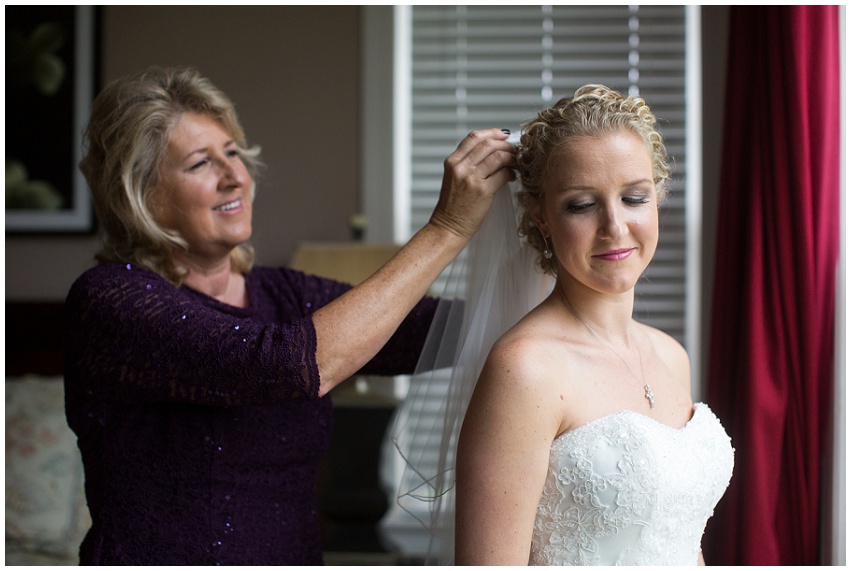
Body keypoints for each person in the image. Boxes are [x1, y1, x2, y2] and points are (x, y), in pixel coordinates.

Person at [63, 65, 516, 565]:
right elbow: (284, 366)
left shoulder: (283, 293)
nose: (235, 176)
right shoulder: (109, 301)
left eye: (232, 153)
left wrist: (559, 258)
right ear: (142, 194)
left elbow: (431, 330)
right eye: (200, 164)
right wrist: (448, 228)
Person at [395, 84, 734, 565]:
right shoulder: (525, 369)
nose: (615, 226)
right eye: (581, 204)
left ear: (657, 200)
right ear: (541, 220)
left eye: (634, 197)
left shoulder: (670, 356)